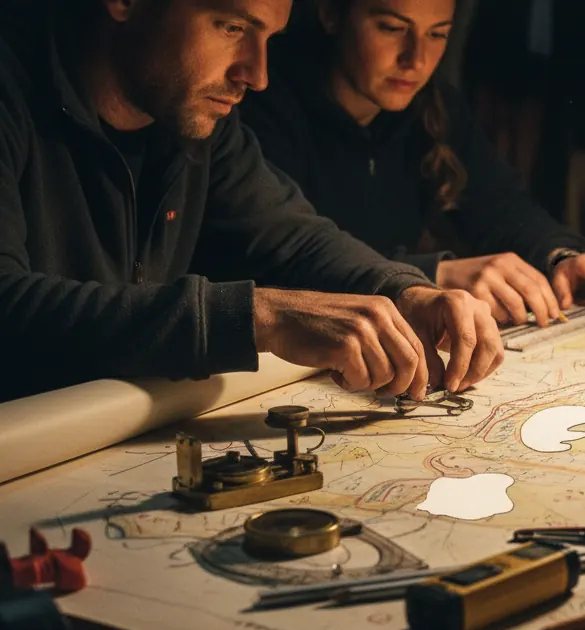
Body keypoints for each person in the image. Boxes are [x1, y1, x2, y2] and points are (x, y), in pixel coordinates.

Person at [0, 0, 504, 405]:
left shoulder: (192, 115)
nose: (257, 74)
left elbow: (290, 235)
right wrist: (260, 316)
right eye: (232, 26)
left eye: (269, 37)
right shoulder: (13, 80)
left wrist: (405, 291)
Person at [237, 0, 585, 330]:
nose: (416, 59)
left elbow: (502, 207)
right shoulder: (264, 106)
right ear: (331, 14)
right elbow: (285, 259)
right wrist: (435, 275)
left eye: (437, 34)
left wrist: (562, 258)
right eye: (392, 28)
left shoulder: (433, 106)